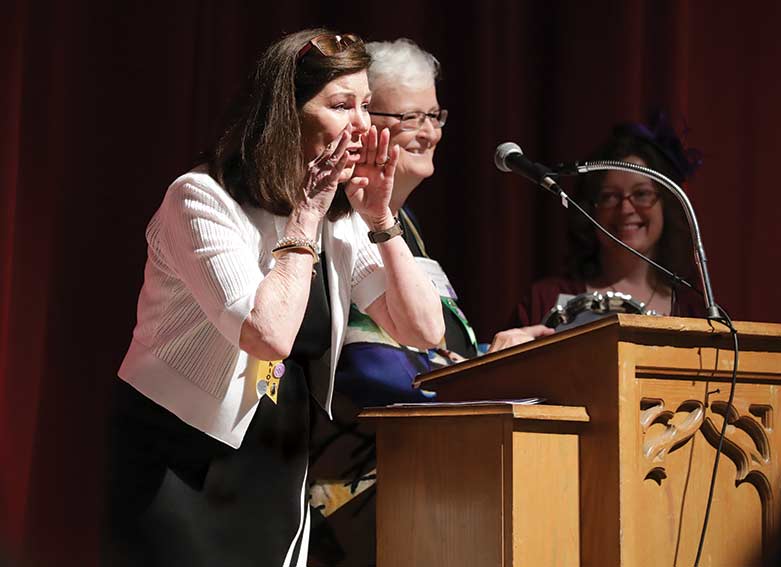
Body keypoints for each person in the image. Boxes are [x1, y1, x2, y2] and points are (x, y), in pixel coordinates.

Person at [104, 28, 444, 567]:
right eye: (340, 105)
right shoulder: (199, 199)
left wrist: (382, 219)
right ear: (287, 114)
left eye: (365, 105)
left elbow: (424, 331)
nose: (361, 123)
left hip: (276, 459)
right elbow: (267, 335)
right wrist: (306, 214)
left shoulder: (344, 216)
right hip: (178, 456)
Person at [306, 38, 551, 567]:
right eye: (411, 115)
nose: (430, 132)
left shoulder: (404, 227)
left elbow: (422, 348)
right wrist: (490, 375)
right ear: (365, 122)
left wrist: (494, 355)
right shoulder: (335, 221)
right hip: (357, 495)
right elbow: (368, 367)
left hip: (426, 477)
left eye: (435, 114)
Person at [514, 116, 705, 327]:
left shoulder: (695, 312)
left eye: (641, 194)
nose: (625, 209)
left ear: (666, 204)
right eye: (609, 196)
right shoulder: (544, 300)